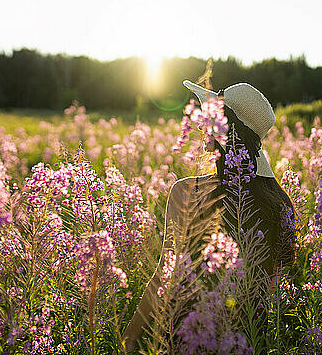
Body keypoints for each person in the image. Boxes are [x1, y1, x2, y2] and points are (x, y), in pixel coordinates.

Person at [121, 80, 299, 351]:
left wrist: (129, 338)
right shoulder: (280, 204)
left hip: (189, 337)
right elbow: (272, 291)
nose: (204, 138)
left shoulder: (187, 193)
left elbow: (166, 277)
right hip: (248, 343)